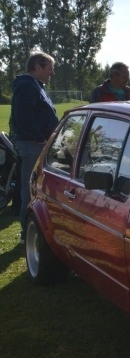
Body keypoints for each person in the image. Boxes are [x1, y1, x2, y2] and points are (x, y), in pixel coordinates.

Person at [10, 52, 59, 243]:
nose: (52, 73)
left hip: (37, 145)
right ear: (37, 67)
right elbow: (24, 119)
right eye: (49, 68)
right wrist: (41, 140)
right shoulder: (27, 86)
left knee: (38, 188)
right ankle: (27, 233)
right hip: (32, 146)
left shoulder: (35, 86)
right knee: (30, 189)